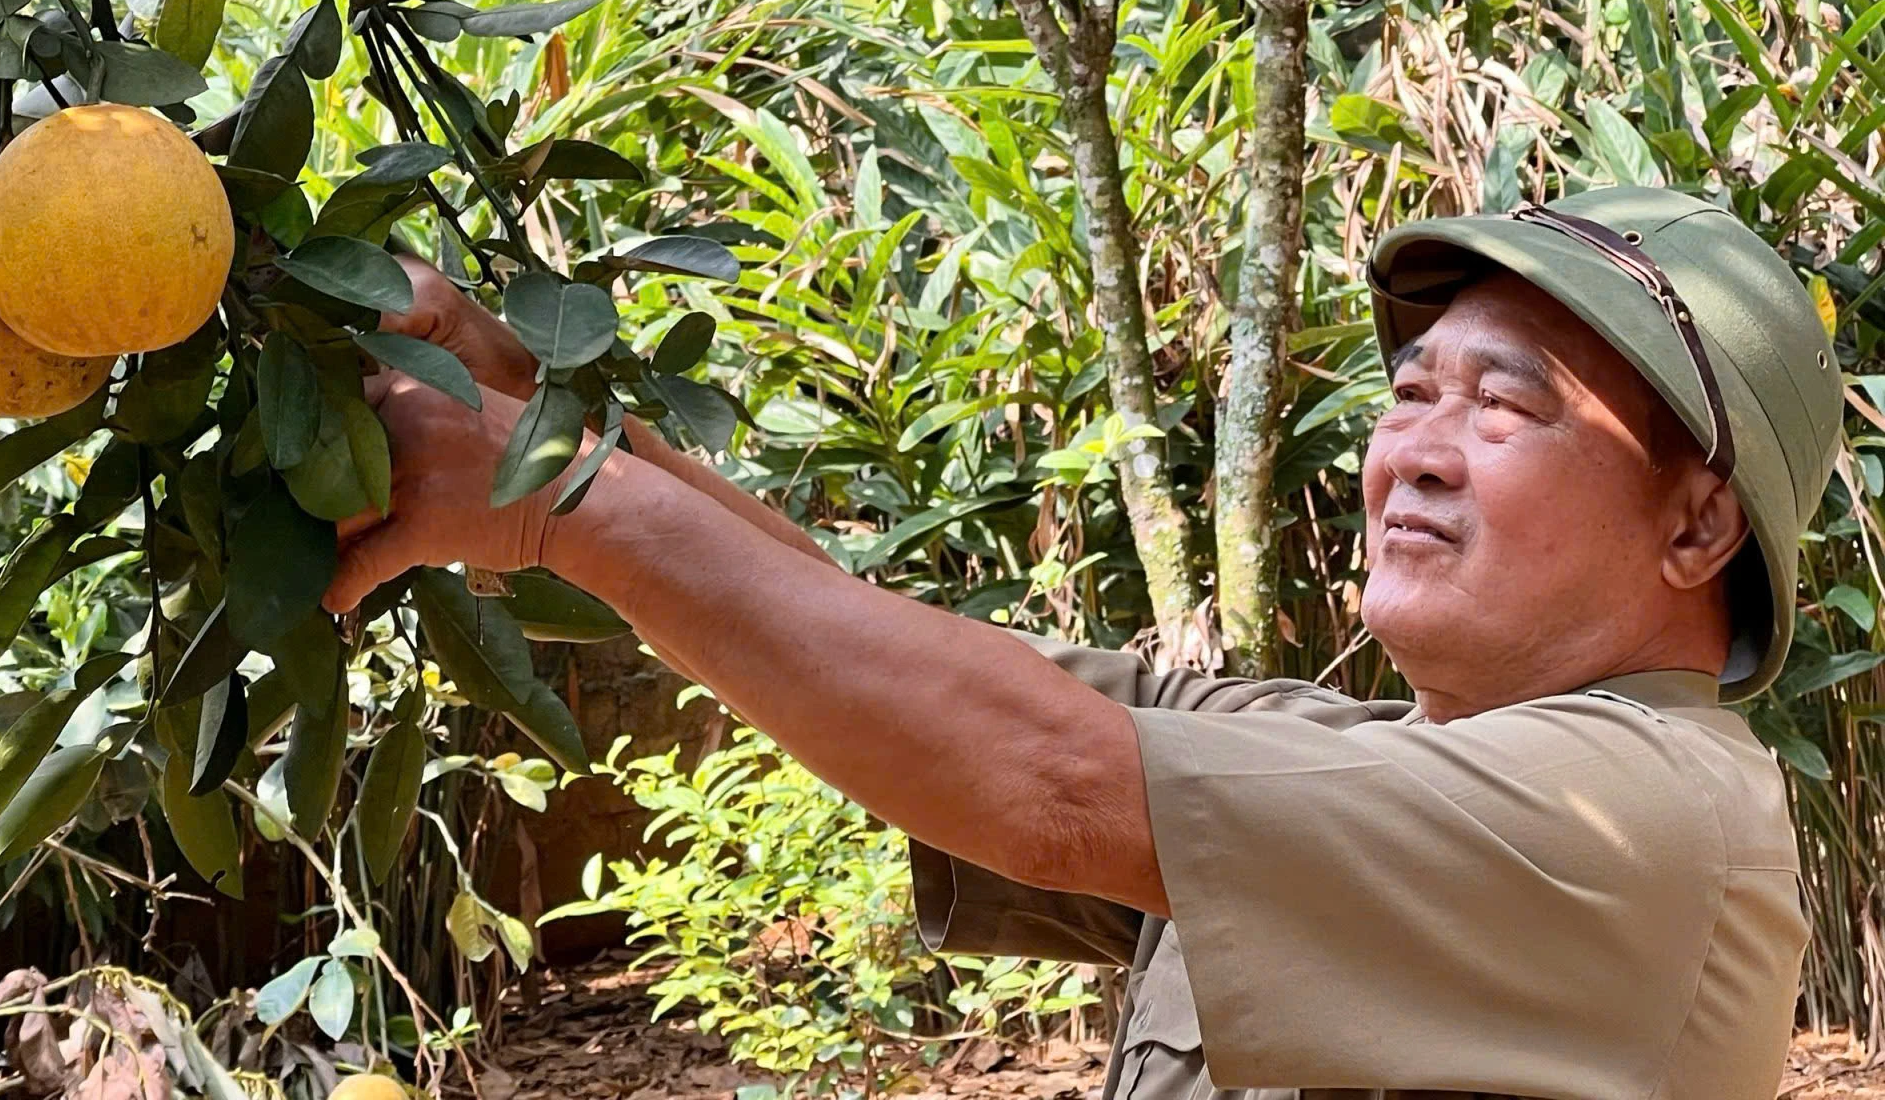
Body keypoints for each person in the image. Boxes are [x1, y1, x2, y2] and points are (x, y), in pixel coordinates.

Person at [321, 186, 1841, 1100]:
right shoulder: (1360, 764)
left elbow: (1045, 774)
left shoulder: (1645, 817)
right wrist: (560, 407)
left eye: (1501, 405)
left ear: (1697, 529)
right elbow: (896, 657)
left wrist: (560, 501)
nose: (1414, 455)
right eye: (1410, 394)